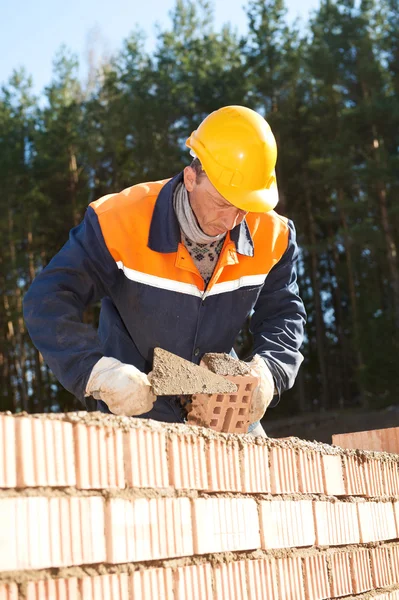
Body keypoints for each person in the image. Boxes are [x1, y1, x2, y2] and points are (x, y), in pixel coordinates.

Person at [23, 105, 306, 436]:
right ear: (191, 178)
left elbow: (284, 315)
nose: (231, 222)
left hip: (222, 402)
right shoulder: (118, 221)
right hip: (136, 397)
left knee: (262, 479)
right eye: (222, 203)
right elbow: (47, 300)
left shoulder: (274, 235)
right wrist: (97, 371)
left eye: (244, 208)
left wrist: (268, 374)